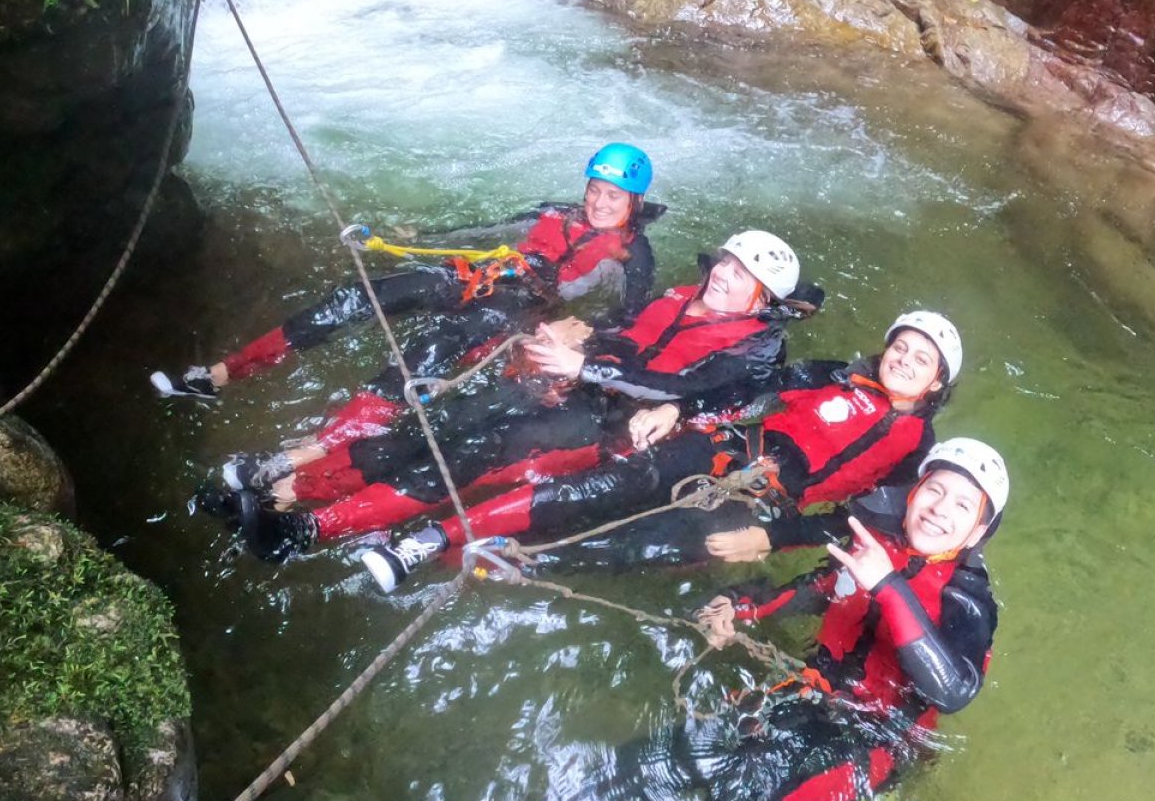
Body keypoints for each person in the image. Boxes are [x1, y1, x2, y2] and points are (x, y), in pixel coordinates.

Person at [472, 439, 1010, 801]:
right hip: (807, 702)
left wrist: (889, 586)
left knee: (757, 779)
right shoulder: (878, 545)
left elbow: (953, 690)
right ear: (915, 491)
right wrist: (746, 609)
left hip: (872, 745)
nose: (940, 508)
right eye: (934, 490)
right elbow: (824, 587)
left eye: (963, 505)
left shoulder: (967, 600)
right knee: (660, 758)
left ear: (979, 532)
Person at [231, 230, 815, 562]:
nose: (724, 274)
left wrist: (586, 366)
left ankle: (306, 534)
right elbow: (629, 329)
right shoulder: (684, 295)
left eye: (742, 275)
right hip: (571, 384)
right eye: (728, 262)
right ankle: (283, 492)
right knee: (432, 429)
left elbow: (682, 388)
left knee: (467, 457)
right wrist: (581, 333)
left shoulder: (759, 348)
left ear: (762, 301)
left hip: (603, 428)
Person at [348, 309, 963, 591]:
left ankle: (485, 567)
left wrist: (776, 541)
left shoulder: (920, 455)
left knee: (636, 548)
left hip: (764, 509)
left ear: (936, 382)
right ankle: (430, 540)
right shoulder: (829, 374)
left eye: (920, 359)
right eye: (900, 346)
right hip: (719, 453)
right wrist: (680, 409)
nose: (903, 360)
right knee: (590, 491)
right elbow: (749, 389)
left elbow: (872, 523)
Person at [149, 143, 660, 410]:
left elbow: (629, 315)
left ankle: (311, 452)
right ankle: (218, 376)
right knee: (361, 295)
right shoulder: (554, 212)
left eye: (612, 196)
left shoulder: (632, 256)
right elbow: (487, 229)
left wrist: (582, 338)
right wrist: (426, 232)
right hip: (477, 275)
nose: (598, 202)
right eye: (595, 189)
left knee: (431, 351)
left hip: (521, 305)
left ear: (632, 202)